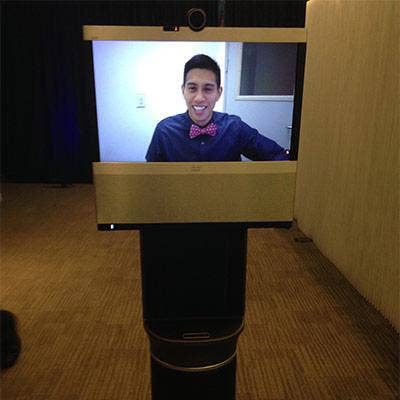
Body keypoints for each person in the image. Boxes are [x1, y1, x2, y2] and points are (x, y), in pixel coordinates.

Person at [146, 54, 289, 162]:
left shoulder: (234, 127)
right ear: (183, 91)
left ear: (218, 93)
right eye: (192, 88)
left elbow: (278, 156)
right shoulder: (164, 130)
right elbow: (151, 178)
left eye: (208, 89)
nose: (199, 97)